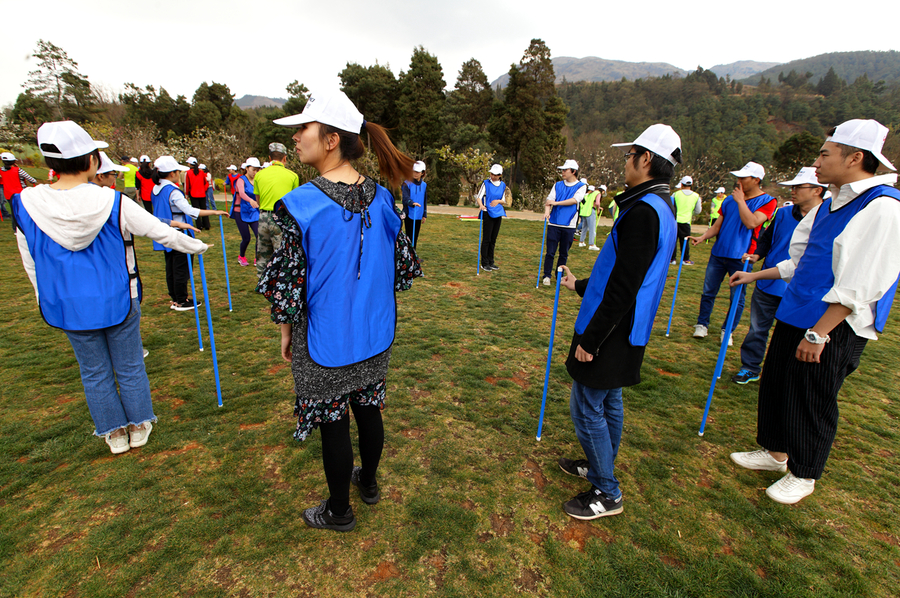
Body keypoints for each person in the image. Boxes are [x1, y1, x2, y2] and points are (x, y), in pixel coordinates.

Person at [259, 89, 422, 532]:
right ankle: (366, 482)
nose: (295, 137)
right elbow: (403, 270)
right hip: (373, 331)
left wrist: (287, 330)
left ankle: (339, 510)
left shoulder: (296, 207)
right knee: (368, 407)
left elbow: (282, 284)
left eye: (303, 129)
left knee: (334, 420)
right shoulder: (384, 199)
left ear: (331, 139)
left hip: (325, 334)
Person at [727, 119, 900, 505]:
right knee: (778, 385)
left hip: (831, 324)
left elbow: (863, 281)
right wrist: (755, 274)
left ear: (855, 157)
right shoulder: (828, 206)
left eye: (825, 153)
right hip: (797, 311)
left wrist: (820, 332)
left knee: (812, 396)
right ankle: (775, 453)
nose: (817, 162)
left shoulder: (882, 208)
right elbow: (799, 261)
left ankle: (804, 473)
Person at [12, 121, 211, 454]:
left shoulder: (26, 204)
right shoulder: (111, 201)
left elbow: (30, 260)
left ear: (50, 164)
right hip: (118, 295)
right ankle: (137, 424)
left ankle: (114, 433)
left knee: (93, 370)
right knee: (129, 364)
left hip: (66, 302)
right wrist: (195, 246)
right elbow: (157, 231)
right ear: (91, 161)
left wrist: (42, 296)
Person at [556, 123, 679, 519]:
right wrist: (581, 286)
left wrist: (591, 340)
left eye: (630, 155)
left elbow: (625, 286)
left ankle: (607, 491)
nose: (625, 161)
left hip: (615, 327)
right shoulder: (658, 203)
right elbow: (622, 272)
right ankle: (599, 466)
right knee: (609, 398)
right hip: (626, 323)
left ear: (646, 159)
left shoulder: (645, 211)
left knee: (586, 404)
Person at [731, 167, 826, 385]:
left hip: (800, 290)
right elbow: (767, 238)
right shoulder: (783, 213)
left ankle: (784, 375)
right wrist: (757, 255)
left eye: (798, 187)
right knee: (757, 329)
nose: (793, 191)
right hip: (769, 283)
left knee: (791, 336)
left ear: (817, 190)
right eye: (792, 187)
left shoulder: (827, 218)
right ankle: (750, 367)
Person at [689, 162, 776, 345]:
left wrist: (741, 201)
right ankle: (702, 324)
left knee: (737, 296)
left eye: (743, 178)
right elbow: (718, 225)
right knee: (708, 291)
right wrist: (703, 237)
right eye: (738, 177)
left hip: (743, 257)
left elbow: (752, 223)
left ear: (756, 180)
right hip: (719, 254)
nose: (739, 181)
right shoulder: (729, 200)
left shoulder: (768, 201)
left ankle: (727, 330)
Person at [151, 156, 227, 310]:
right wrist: (214, 212)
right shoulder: (173, 191)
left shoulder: (156, 188)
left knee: (171, 266)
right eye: (178, 171)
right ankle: (182, 300)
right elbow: (191, 211)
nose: (180, 174)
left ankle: (175, 297)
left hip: (165, 232)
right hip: (178, 233)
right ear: (172, 173)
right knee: (182, 267)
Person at [253, 142, 300, 277]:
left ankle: (262, 279)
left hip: (263, 217)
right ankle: (280, 280)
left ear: (269, 158)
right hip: (281, 218)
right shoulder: (292, 176)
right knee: (281, 251)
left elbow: (258, 199)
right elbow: (293, 201)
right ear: (285, 158)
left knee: (262, 251)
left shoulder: (259, 175)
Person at [541, 159, 586, 286]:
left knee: (563, 253)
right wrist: (547, 211)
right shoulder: (557, 185)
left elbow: (574, 200)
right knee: (550, 252)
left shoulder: (581, 186)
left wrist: (556, 203)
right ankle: (547, 275)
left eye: (565, 170)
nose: (563, 172)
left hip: (569, 225)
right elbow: (549, 200)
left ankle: (558, 275)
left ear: (573, 171)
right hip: (554, 223)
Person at [475, 163, 510, 271]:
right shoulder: (486, 183)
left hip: (498, 213)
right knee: (487, 239)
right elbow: (479, 197)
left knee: (493, 239)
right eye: (491, 174)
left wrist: (497, 201)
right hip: (487, 212)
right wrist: (481, 205)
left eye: (495, 174)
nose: (493, 176)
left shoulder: (503, 185)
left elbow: (503, 200)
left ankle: (491, 261)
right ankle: (484, 262)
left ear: (500, 175)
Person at [234, 158, 262, 266]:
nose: (255, 172)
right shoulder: (241, 180)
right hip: (240, 211)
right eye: (253, 169)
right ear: (247, 168)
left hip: (254, 211)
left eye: (257, 170)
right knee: (246, 238)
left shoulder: (257, 180)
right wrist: (250, 200)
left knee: (259, 235)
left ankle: (257, 258)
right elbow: (241, 193)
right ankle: (241, 256)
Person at [2, 151, 38, 231]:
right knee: (23, 211)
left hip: (8, 194)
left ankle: (15, 229)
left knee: (14, 211)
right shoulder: (18, 170)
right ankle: (25, 228)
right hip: (20, 193)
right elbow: (32, 180)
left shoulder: (1, 170)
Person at [671, 175, 702, 265]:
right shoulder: (696, 196)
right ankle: (685, 259)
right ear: (691, 184)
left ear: (681, 184)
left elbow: (671, 206)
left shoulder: (676, 194)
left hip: (675, 221)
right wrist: (690, 213)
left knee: (673, 241)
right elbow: (698, 211)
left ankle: (672, 259)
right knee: (685, 241)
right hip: (686, 221)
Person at [402, 161, 427, 249]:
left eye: (417, 172)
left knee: (415, 237)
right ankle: (409, 257)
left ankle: (414, 257)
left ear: (422, 173)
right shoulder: (406, 183)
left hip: (419, 214)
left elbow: (424, 200)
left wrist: (424, 214)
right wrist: (412, 203)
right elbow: (405, 198)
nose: (415, 174)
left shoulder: (424, 185)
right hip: (409, 213)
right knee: (409, 237)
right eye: (413, 171)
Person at [184, 157, 210, 230]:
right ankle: (207, 225)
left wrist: (186, 194)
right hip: (202, 194)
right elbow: (206, 182)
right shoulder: (201, 172)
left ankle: (199, 225)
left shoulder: (188, 173)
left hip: (193, 193)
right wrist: (203, 190)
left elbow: (187, 184)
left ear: (190, 164)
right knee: (204, 209)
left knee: (195, 210)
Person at [577, 184, 600, 250]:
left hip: (584, 212)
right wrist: (598, 209)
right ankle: (591, 244)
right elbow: (597, 203)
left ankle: (581, 242)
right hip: (590, 212)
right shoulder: (597, 193)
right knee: (592, 229)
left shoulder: (586, 195)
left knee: (584, 228)